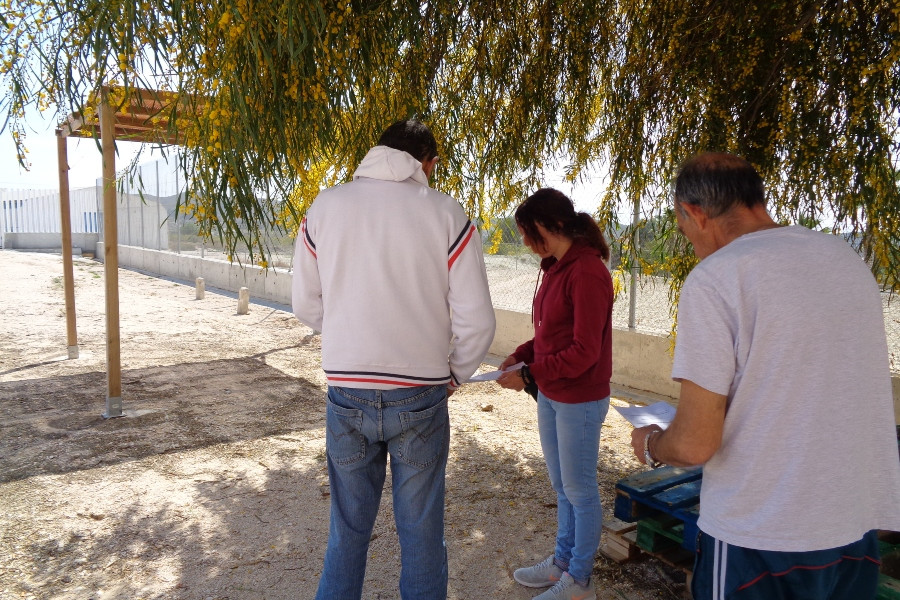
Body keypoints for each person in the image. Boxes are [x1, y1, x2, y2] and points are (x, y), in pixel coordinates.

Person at [630, 152, 900, 600]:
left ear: (694, 213)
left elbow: (696, 443)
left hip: (760, 534)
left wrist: (654, 444)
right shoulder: (845, 259)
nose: (694, 247)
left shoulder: (717, 277)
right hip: (853, 523)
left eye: (685, 233)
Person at [291, 119, 496, 600]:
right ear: (427, 162)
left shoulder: (326, 206)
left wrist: (347, 336)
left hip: (347, 394)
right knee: (422, 538)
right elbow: (478, 322)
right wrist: (454, 374)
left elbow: (305, 303)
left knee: (347, 533)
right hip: (421, 396)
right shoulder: (447, 215)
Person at [496, 188, 614, 600]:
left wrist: (528, 374)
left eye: (531, 233)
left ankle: (579, 581)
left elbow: (585, 351)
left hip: (579, 398)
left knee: (581, 491)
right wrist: (521, 355)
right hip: (553, 393)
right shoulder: (556, 267)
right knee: (563, 488)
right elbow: (551, 334)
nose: (526, 243)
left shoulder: (587, 272)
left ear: (555, 226)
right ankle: (562, 564)